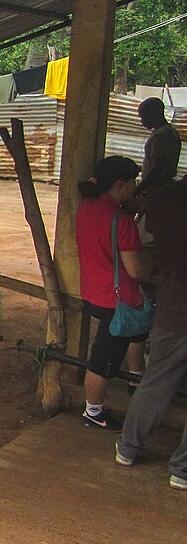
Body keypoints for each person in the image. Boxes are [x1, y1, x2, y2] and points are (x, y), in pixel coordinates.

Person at [115, 174, 187, 490]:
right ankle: (182, 470)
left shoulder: (164, 198)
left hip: (173, 306)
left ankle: (128, 448)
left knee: (155, 381)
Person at [75, 156, 147, 429]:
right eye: (133, 182)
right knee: (103, 359)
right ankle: (93, 413)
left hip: (92, 292)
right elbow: (135, 271)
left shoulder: (86, 208)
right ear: (120, 184)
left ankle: (135, 376)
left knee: (127, 336)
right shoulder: (121, 221)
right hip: (117, 300)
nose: (136, 187)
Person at [136, 97, 181, 197]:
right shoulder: (170, 131)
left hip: (157, 191)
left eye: (143, 117)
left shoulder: (160, 136)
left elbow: (158, 167)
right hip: (163, 189)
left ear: (153, 114)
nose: (142, 121)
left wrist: (138, 188)